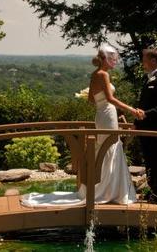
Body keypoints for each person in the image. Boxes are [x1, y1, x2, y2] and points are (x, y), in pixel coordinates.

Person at [21, 44, 137, 206]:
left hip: (100, 114)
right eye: (113, 59)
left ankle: (100, 187)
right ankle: (109, 189)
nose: (114, 62)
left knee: (104, 146)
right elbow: (111, 99)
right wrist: (131, 109)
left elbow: (90, 98)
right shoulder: (104, 75)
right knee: (110, 145)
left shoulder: (94, 74)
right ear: (106, 59)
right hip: (108, 114)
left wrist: (100, 102)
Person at [134, 48, 157, 204]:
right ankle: (153, 191)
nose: (142, 62)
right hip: (145, 127)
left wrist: (145, 114)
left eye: (144, 59)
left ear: (153, 61)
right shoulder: (149, 78)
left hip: (155, 127)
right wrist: (137, 121)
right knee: (149, 160)